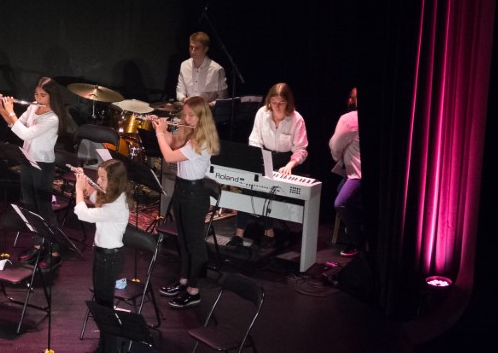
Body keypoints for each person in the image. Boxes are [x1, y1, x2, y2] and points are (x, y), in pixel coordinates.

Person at [0, 77, 76, 266]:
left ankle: (54, 251)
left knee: (44, 209)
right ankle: (38, 246)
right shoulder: (32, 108)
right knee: (30, 207)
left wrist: (11, 111)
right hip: (27, 161)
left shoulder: (52, 118)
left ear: (52, 96)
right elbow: (16, 126)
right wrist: (1, 109)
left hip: (42, 165)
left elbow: (25, 134)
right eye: (36, 94)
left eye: (43, 95)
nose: (38, 98)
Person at [153, 97, 220, 309]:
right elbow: (173, 143)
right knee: (182, 241)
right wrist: (161, 129)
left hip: (194, 194)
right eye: (185, 114)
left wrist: (158, 133)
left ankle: (194, 290)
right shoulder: (188, 134)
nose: (186, 118)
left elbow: (169, 156)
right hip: (182, 190)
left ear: (202, 117)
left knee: (195, 243)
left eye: (191, 115)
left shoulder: (200, 141)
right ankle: (184, 280)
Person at [229, 82, 310, 251]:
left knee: (267, 188)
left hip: (284, 161)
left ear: (288, 102)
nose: (277, 106)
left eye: (281, 103)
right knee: (248, 186)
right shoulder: (262, 113)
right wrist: (256, 159)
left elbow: (301, 149)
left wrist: (290, 165)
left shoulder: (297, 119)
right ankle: (238, 234)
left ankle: (269, 230)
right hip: (264, 156)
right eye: (274, 102)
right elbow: (255, 140)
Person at [71, 159, 131, 353]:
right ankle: (103, 348)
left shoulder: (116, 204)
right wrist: (83, 181)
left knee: (106, 309)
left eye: (102, 178)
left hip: (110, 258)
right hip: (102, 255)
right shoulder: (110, 195)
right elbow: (93, 196)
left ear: (113, 181)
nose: (98, 181)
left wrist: (79, 189)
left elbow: (82, 213)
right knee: (100, 305)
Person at [330, 87, 362, 257]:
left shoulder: (349, 119)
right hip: (355, 174)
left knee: (340, 203)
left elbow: (335, 147)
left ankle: (358, 240)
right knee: (339, 188)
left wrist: (338, 156)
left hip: (357, 175)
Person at [175, 31, 227, 103]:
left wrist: (208, 105)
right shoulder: (184, 65)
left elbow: (223, 97)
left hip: (209, 111)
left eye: (197, 48)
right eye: (191, 47)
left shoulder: (216, 69)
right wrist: (184, 99)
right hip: (190, 110)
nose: (193, 51)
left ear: (206, 49)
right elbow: (180, 91)